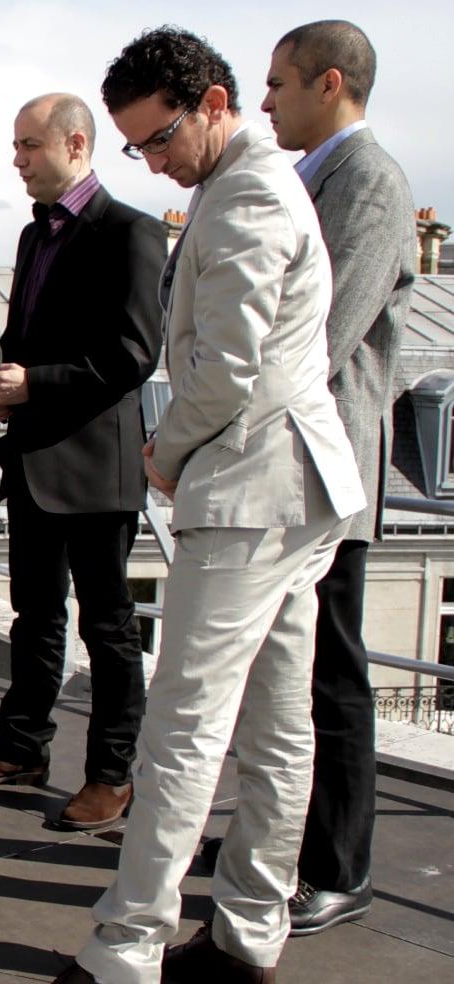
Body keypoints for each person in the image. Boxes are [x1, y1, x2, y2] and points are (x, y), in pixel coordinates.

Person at [52, 28, 365, 984]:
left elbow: (224, 368)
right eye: (138, 149)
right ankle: (245, 938)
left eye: (161, 139)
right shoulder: (255, 187)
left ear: (215, 103)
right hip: (294, 489)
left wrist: (164, 453)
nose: (154, 162)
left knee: (184, 724)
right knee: (277, 722)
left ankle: (127, 945)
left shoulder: (245, 197)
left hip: (246, 490)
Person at [0, 94, 164, 834]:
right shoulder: (35, 237)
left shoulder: (130, 232)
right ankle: (21, 748)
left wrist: (36, 383)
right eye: (15, 145)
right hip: (33, 455)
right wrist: (7, 389)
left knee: (107, 628)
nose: (17, 159)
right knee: (34, 614)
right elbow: (21, 337)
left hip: (97, 467)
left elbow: (133, 356)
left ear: (74, 143)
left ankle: (110, 776)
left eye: (28, 145)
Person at [259, 18, 416, 937]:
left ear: (329, 83)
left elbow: (323, 332)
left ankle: (339, 867)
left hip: (329, 471)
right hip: (293, 462)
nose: (266, 99)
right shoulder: (312, 176)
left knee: (331, 676)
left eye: (278, 83)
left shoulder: (369, 182)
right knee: (285, 670)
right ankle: (281, 842)